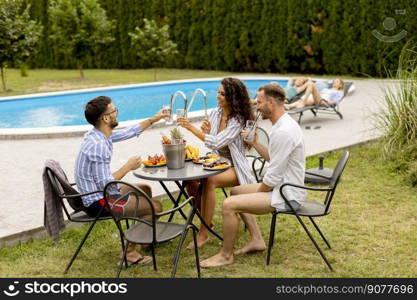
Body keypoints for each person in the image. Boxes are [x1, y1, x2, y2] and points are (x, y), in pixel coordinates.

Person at [200, 83, 306, 268]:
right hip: (282, 185)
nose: (256, 106)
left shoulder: (283, 131)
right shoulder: (283, 125)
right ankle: (256, 240)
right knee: (236, 192)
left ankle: (226, 256)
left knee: (229, 204)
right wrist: (255, 143)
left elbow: (272, 178)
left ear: (271, 103)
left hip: (287, 194)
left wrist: (257, 193)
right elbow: (274, 159)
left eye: (259, 102)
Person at [74, 95, 167, 266]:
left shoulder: (98, 134)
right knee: (155, 207)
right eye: (114, 110)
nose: (116, 113)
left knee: (144, 189)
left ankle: (145, 240)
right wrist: (128, 166)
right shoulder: (98, 145)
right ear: (106, 118)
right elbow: (105, 184)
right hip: (98, 201)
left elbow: (129, 131)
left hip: (97, 193)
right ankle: (129, 253)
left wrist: (155, 118)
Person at [177, 77, 256, 249]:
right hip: (217, 162)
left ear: (233, 98)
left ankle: (203, 234)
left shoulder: (239, 120)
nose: (218, 96)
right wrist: (206, 131)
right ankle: (207, 223)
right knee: (190, 179)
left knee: (209, 180)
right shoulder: (215, 113)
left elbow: (217, 142)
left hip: (236, 167)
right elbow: (210, 141)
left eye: (222, 94)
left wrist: (192, 128)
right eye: (218, 92)